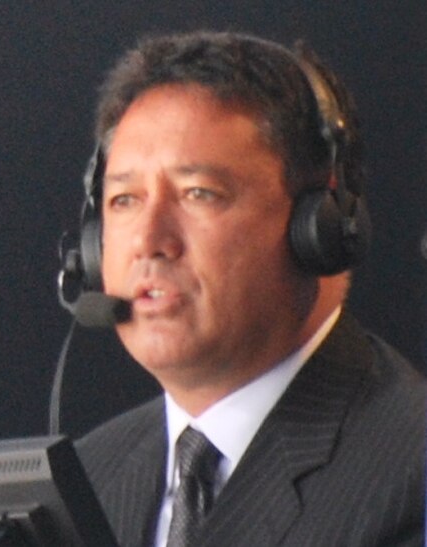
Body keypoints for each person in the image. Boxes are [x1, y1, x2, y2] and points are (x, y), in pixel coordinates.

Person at [75, 31, 425, 546]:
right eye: (125, 200)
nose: (149, 241)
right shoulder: (88, 477)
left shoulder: (411, 472)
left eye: (199, 193)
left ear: (321, 226)